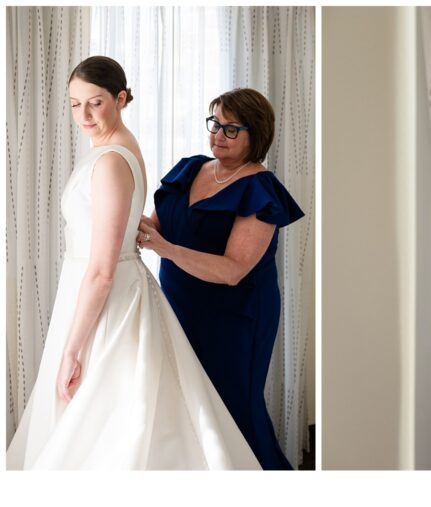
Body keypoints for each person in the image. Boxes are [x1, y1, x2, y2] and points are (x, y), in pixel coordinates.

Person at [6, 56, 260, 470]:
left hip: (107, 295)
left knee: (106, 418)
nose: (83, 115)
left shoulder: (111, 161)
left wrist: (71, 348)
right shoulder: (116, 149)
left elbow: (103, 270)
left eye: (95, 102)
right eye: (74, 104)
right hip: (97, 286)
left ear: (120, 98)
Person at [137, 88, 304, 470]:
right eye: (214, 123)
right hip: (180, 305)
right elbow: (157, 226)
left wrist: (165, 249)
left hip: (236, 316)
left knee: (233, 409)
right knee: (190, 406)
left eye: (231, 129)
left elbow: (233, 269)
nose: (217, 135)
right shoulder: (189, 169)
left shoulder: (260, 189)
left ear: (256, 134)